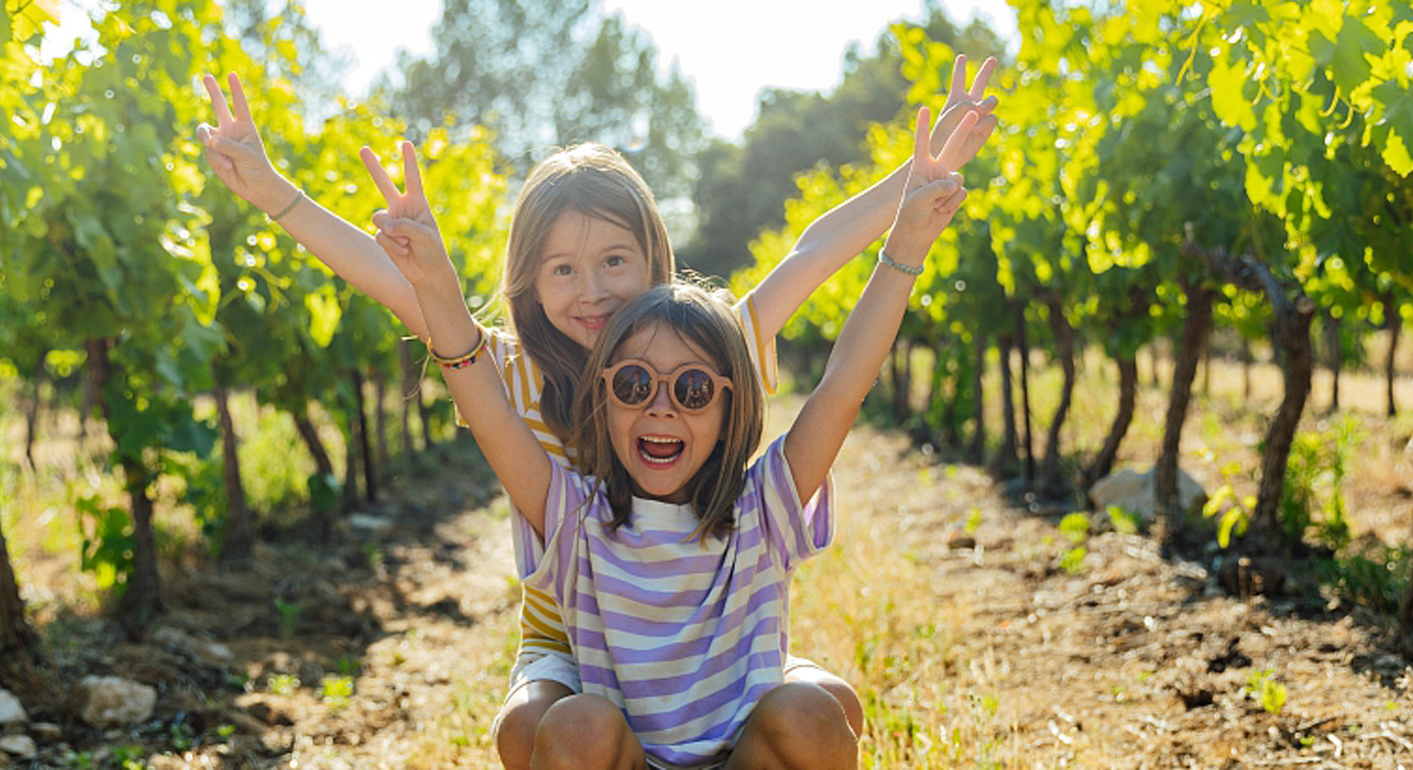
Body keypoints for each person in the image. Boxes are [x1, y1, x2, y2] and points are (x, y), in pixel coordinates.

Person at [194, 55, 998, 767]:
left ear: (656, 259)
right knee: (534, 733)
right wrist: (275, 194)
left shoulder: (710, 346)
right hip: (577, 643)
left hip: (705, 647)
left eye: (615, 260)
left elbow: (814, 265)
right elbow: (408, 290)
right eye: (564, 269)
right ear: (530, 283)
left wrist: (913, 189)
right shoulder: (506, 376)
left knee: (827, 715)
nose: (592, 289)